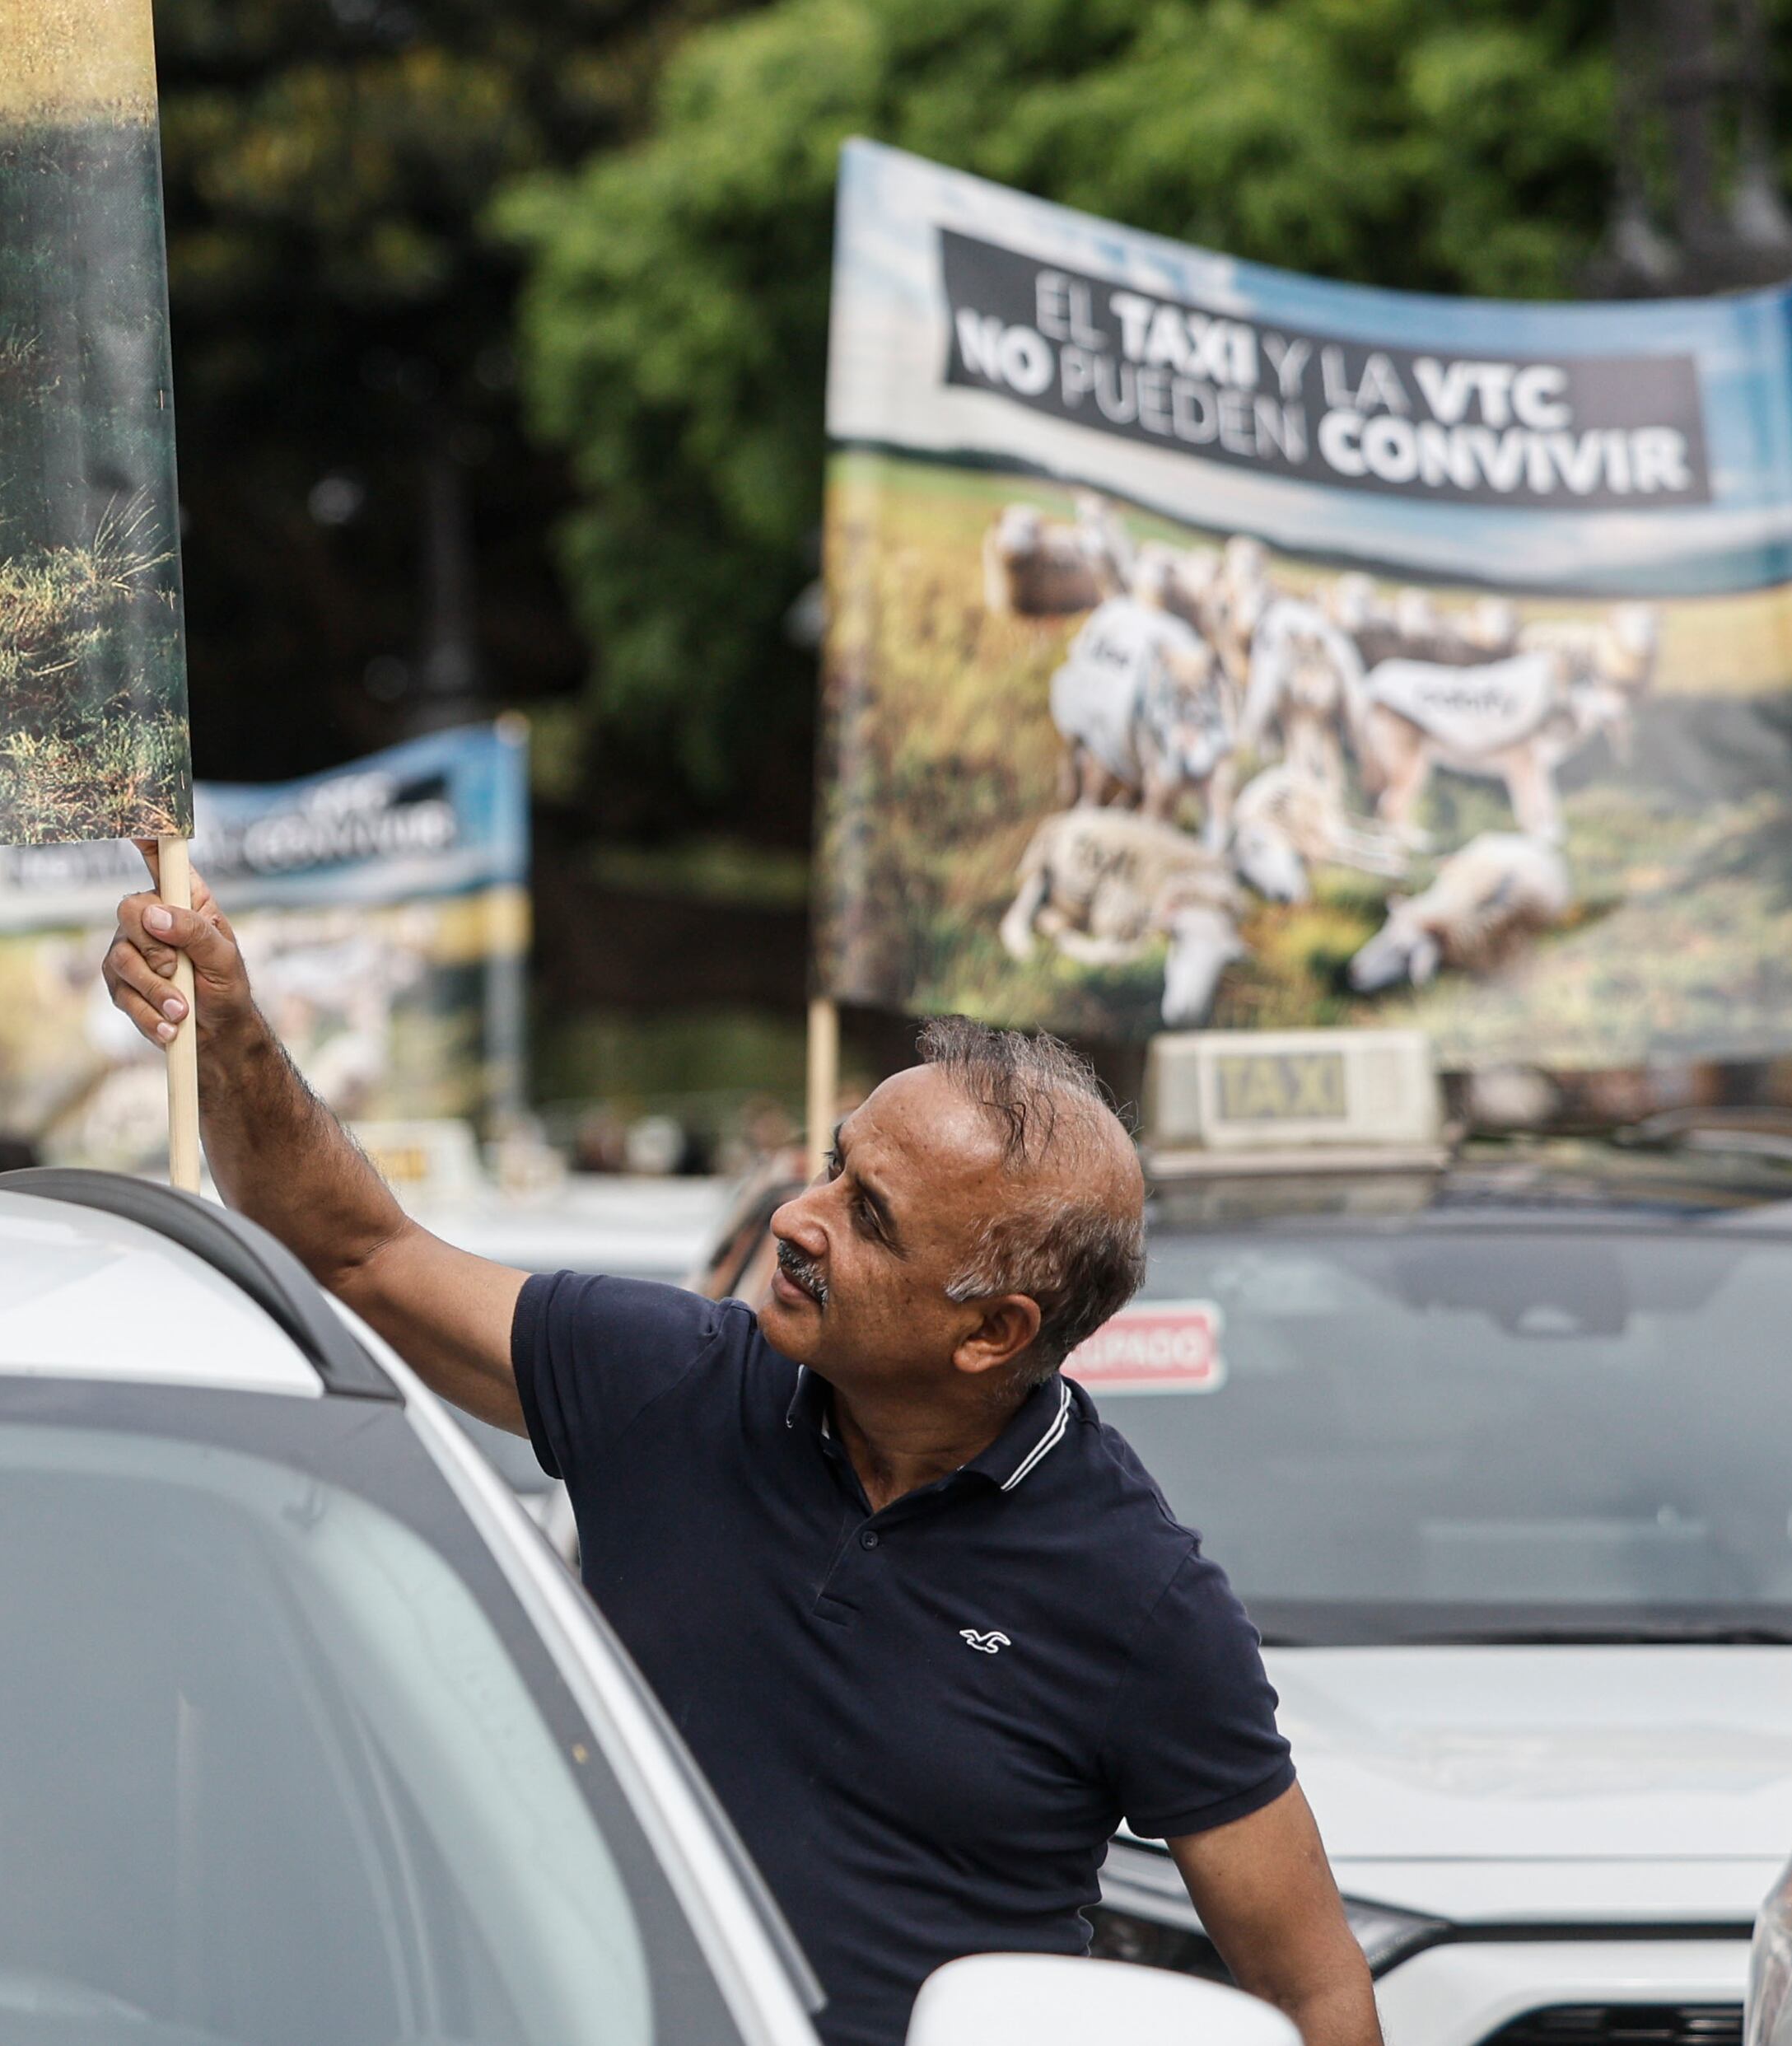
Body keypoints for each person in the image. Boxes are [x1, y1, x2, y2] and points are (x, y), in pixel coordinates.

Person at [104, 866, 1382, 2046]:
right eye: (832, 1167)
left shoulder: (1142, 1598)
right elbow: (357, 1253)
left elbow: (1313, 1992)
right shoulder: (667, 1381)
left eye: (868, 1217)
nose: (795, 1217)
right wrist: (231, 1027)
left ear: (992, 1332)